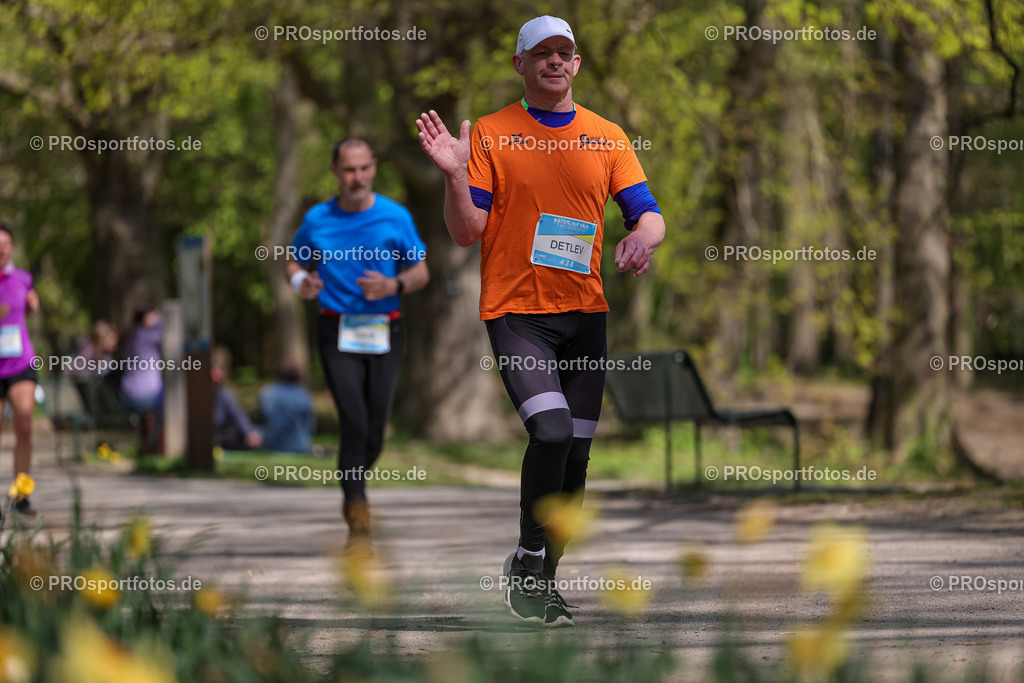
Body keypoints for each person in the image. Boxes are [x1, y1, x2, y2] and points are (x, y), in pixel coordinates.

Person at [416, 15, 665, 627]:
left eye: (565, 53)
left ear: (577, 64)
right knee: (550, 433)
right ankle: (529, 555)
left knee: (576, 458)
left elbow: (648, 212)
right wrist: (454, 174)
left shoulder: (606, 135)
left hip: (586, 314)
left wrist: (643, 238)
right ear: (520, 64)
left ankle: (541, 583)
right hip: (518, 312)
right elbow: (466, 229)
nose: (555, 61)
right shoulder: (495, 134)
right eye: (542, 53)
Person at [286, 137, 429, 553]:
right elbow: (295, 261)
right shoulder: (318, 219)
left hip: (386, 330)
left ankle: (352, 478)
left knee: (374, 435)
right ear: (335, 171)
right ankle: (358, 523)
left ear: (373, 169)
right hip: (337, 331)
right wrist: (302, 281)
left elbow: (421, 271)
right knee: (354, 422)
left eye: (365, 168)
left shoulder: (394, 216)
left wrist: (394, 283)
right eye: (349, 170)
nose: (358, 178)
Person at [0, 223, 41, 516]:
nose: (1, 249)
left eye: (5, 244)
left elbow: (28, 305)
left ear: (12, 247)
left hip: (20, 363)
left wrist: (32, 303)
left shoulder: (24, 279)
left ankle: (22, 494)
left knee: (24, 426)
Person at [258, 361, 316, 453]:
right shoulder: (304, 396)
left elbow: (261, 419)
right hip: (299, 447)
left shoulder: (268, 393)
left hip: (271, 445)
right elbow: (310, 425)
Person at [119, 304, 163, 415]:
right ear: (146, 317)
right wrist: (160, 319)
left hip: (127, 395)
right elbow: (170, 328)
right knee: (174, 394)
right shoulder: (150, 337)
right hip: (146, 397)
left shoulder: (131, 335)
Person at [212, 365, 262, 451]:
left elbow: (238, 414)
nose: (215, 385)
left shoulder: (224, 395)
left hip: (226, 438)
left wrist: (249, 432)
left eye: (217, 383)